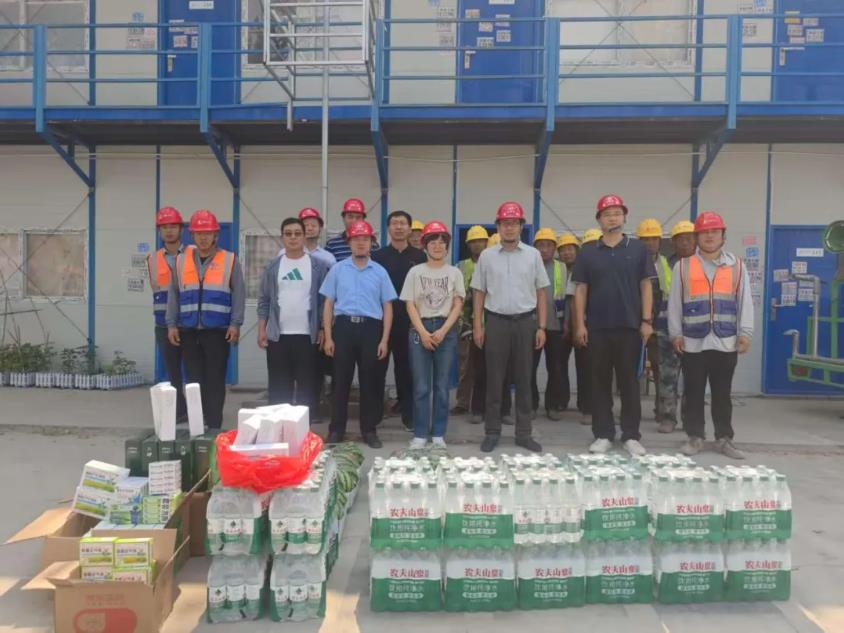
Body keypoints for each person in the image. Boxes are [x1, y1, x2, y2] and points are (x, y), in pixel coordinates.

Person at [572, 194, 654, 456]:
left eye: (617, 213)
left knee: (629, 382)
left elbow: (646, 285)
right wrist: (580, 324)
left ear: (624, 217)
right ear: (599, 219)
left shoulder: (637, 249)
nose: (612, 218)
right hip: (597, 328)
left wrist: (647, 320)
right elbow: (580, 290)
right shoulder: (587, 252)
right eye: (607, 214)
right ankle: (603, 434)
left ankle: (631, 435)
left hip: (630, 328)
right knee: (599, 383)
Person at [668, 211, 753, 460]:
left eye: (714, 232)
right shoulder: (683, 267)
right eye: (704, 232)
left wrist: (745, 332)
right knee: (693, 392)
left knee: (722, 394)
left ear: (723, 236)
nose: (709, 236)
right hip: (693, 341)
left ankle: (724, 438)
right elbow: (675, 303)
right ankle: (695, 437)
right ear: (697, 237)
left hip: (725, 341)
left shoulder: (737, 266)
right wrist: (675, 333)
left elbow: (744, 301)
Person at [472, 201, 549, 453]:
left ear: (521, 226)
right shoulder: (487, 256)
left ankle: (524, 433)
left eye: (514, 223)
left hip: (526, 323)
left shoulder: (533, 255)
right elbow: (479, 293)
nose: (509, 228)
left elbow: (541, 292)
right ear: (498, 226)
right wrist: (478, 326)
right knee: (494, 379)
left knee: (525, 379)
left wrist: (541, 327)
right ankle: (492, 432)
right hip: (496, 322)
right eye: (505, 223)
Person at [166, 210, 246, 430]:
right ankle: (197, 422)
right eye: (199, 233)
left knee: (215, 379)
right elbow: (173, 294)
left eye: (207, 233)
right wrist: (171, 324)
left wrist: (235, 323)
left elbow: (239, 293)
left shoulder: (229, 260)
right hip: (188, 329)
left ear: (215, 235)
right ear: (192, 235)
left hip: (217, 331)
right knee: (193, 380)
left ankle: (213, 423)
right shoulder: (180, 261)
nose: (203, 237)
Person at [320, 220, 395, 448]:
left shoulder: (380, 272)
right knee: (340, 382)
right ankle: (336, 430)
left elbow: (388, 307)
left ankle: (369, 430)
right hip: (343, 328)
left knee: (370, 383)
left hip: (371, 329)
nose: (361, 243)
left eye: (365, 239)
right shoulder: (338, 269)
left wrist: (384, 340)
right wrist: (328, 336)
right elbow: (328, 303)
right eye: (356, 239)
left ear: (371, 243)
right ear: (349, 243)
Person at [402, 221, 465, 448]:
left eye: (442, 242)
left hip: (446, 330)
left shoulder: (454, 272)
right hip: (420, 329)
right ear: (425, 246)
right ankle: (420, 434)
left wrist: (442, 331)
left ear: (447, 247)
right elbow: (410, 304)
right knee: (421, 386)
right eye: (433, 242)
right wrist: (423, 333)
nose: (438, 246)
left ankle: (438, 433)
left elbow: (458, 304)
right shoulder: (415, 272)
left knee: (441, 386)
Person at [257, 217, 330, 409]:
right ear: (282, 237)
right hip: (278, 336)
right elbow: (264, 300)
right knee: (279, 389)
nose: (293, 237)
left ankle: (306, 425)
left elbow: (325, 302)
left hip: (308, 337)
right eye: (288, 234)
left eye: (298, 233)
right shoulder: (272, 267)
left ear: (304, 237)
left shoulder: (319, 266)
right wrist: (262, 329)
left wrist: (323, 328)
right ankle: (280, 425)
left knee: (308, 388)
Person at [278, 207, 337, 423]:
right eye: (306, 224)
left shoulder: (326, 260)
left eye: (313, 224)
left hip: (311, 329)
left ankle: (310, 414)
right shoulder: (279, 259)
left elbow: (327, 297)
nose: (310, 228)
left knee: (312, 374)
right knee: (283, 378)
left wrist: (323, 326)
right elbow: (269, 296)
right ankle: (283, 418)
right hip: (282, 331)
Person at [372, 210, 426, 430]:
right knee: (376, 370)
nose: (399, 227)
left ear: (410, 228)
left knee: (407, 370)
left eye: (403, 223)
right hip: (380, 323)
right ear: (388, 228)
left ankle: (409, 416)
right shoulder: (377, 257)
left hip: (410, 322)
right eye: (394, 223)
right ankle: (374, 415)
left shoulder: (420, 257)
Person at [637, 218, 680, 434]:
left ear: (659, 241)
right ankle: (629, 411)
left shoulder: (667, 265)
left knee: (661, 371)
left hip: (661, 328)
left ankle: (663, 412)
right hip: (635, 326)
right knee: (629, 370)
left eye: (653, 239)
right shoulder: (631, 262)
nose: (649, 243)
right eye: (645, 239)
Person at [148, 206, 187, 421]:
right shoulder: (152, 259)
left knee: (194, 371)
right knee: (172, 371)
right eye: (164, 227)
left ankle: (197, 410)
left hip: (190, 322)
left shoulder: (192, 255)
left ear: (181, 229)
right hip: (163, 324)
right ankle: (179, 411)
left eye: (173, 226)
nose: (169, 231)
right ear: (159, 231)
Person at [453, 225, 489, 416]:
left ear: (486, 242)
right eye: (473, 241)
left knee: (490, 366)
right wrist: (461, 324)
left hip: (491, 323)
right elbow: (456, 296)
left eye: (480, 241)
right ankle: (463, 402)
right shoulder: (460, 266)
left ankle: (487, 404)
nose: (477, 245)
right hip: (466, 324)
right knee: (465, 366)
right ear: (468, 245)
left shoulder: (494, 263)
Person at [530, 228, 565, 421]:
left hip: (556, 326)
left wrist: (568, 323)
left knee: (556, 368)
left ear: (554, 248)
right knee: (529, 368)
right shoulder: (529, 265)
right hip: (532, 326)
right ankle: (532, 405)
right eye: (540, 245)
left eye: (548, 245)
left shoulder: (562, 268)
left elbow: (569, 297)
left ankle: (552, 405)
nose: (544, 249)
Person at [557, 232, 591, 423]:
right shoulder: (557, 269)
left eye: (570, 249)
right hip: (562, 326)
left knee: (584, 366)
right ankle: (561, 400)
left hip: (578, 325)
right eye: (563, 250)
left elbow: (573, 301)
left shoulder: (582, 269)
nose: (567, 253)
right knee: (559, 365)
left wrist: (574, 325)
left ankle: (584, 403)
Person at [325, 198, 379, 262]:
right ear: (343, 219)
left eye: (358, 217)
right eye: (350, 217)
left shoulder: (373, 245)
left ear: (363, 220)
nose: (354, 221)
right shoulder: (332, 245)